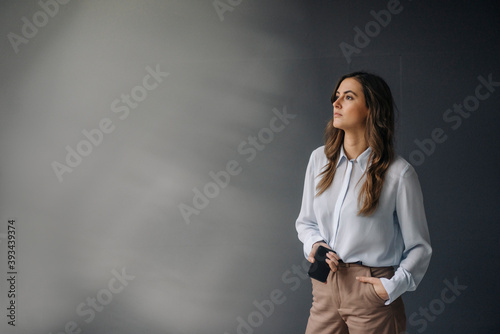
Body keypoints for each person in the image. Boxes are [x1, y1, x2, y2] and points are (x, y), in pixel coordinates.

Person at [295, 71, 432, 334]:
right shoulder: (319, 161)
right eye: (336, 97)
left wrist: (391, 286)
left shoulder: (399, 174)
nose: (336, 104)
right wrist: (314, 244)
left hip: (371, 292)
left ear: (371, 109)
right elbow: (306, 221)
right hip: (324, 287)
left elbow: (419, 247)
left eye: (348, 97)